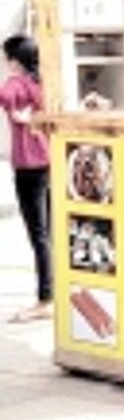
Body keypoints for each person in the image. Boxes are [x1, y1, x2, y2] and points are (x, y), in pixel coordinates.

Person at [1, 34, 52, 322]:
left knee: (39, 236)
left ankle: (45, 299)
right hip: (50, 161)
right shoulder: (45, 82)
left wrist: (14, 76)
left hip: (29, 166)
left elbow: (6, 96)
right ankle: (53, 294)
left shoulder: (17, 85)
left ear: (15, 61)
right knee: (52, 234)